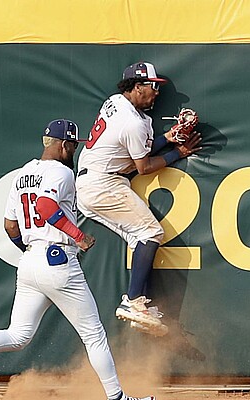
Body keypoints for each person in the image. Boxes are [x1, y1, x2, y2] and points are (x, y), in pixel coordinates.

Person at [0, 119, 156, 400]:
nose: (75, 150)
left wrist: (31, 249)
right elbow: (45, 205)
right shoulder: (62, 172)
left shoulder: (23, 173)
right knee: (94, 337)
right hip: (58, 259)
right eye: (73, 145)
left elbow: (11, 226)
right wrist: (77, 236)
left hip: (29, 261)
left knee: (19, 334)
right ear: (63, 145)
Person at [76, 61, 202, 334]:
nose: (156, 92)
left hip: (92, 182)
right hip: (104, 183)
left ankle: (139, 305)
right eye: (152, 86)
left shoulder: (115, 103)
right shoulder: (133, 122)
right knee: (151, 232)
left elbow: (134, 149)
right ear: (136, 87)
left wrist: (168, 136)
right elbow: (143, 166)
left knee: (139, 238)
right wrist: (176, 153)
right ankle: (133, 302)